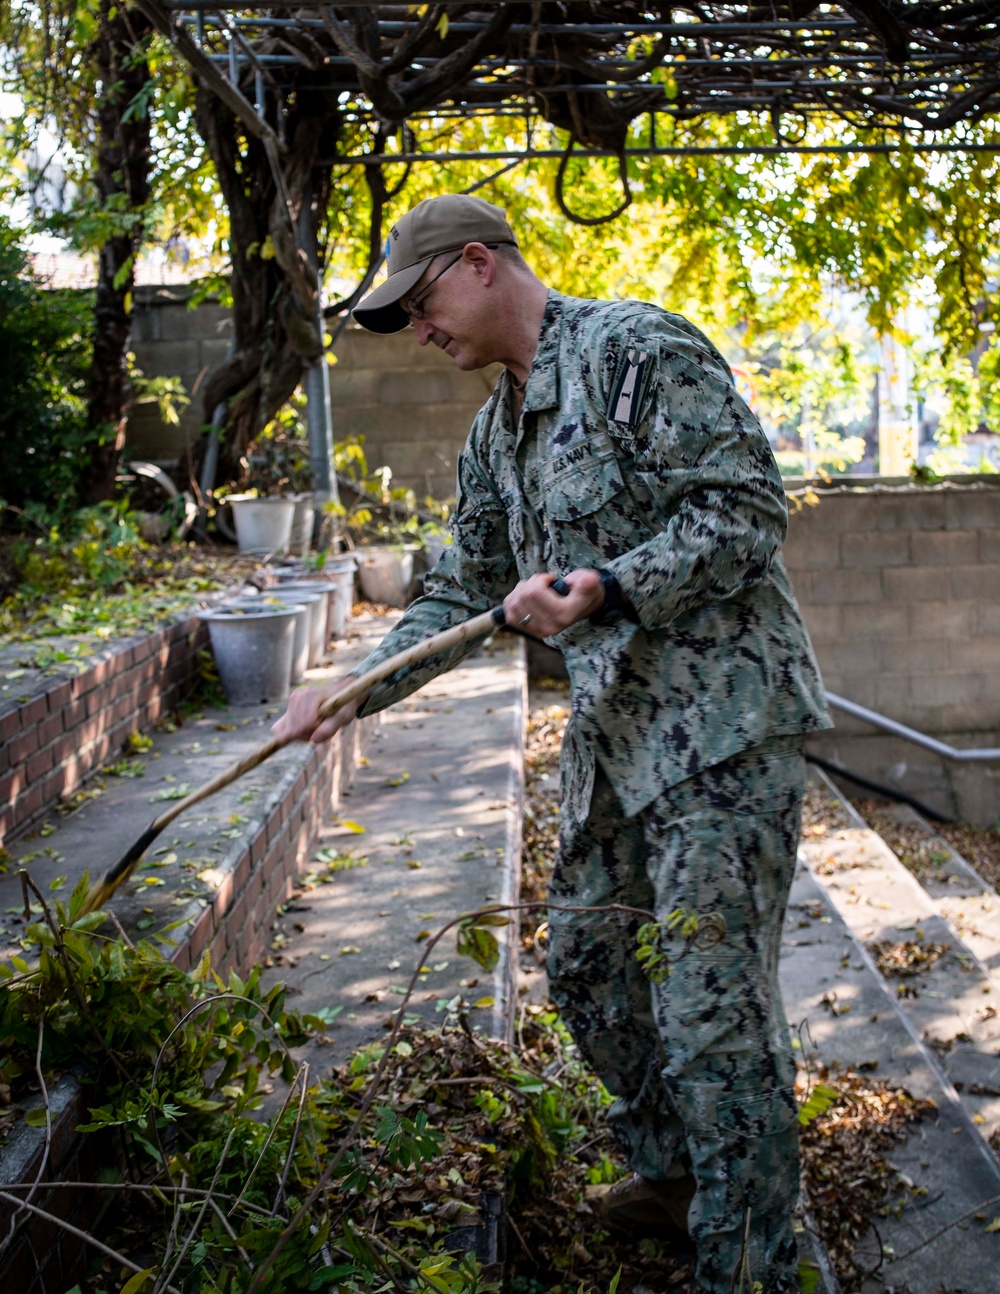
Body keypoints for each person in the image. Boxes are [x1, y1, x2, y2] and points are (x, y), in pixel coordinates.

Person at [272, 193, 832, 1292]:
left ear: (477, 264)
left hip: (721, 728)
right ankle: (674, 1178)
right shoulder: (496, 431)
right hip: (616, 737)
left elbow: (743, 509)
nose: (419, 330)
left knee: (713, 1015)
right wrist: (353, 689)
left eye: (421, 302)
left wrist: (608, 585)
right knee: (584, 969)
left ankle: (754, 1260)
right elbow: (460, 590)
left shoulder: (634, 350)